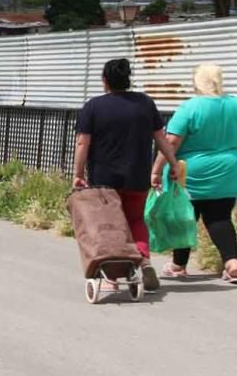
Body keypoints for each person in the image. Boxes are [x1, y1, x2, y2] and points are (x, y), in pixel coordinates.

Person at [73, 58, 180, 291]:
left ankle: (112, 278)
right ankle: (144, 260)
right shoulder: (144, 103)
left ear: (104, 81)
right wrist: (172, 164)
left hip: (104, 178)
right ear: (128, 79)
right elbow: (160, 137)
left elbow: (83, 143)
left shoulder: (93, 106)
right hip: (137, 175)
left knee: (110, 225)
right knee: (135, 219)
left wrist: (78, 174)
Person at [151, 64, 237, 284]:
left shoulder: (190, 107)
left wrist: (156, 169)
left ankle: (178, 266)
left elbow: (171, 141)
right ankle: (232, 263)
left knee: (185, 216)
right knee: (220, 217)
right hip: (228, 169)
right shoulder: (236, 105)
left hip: (192, 172)